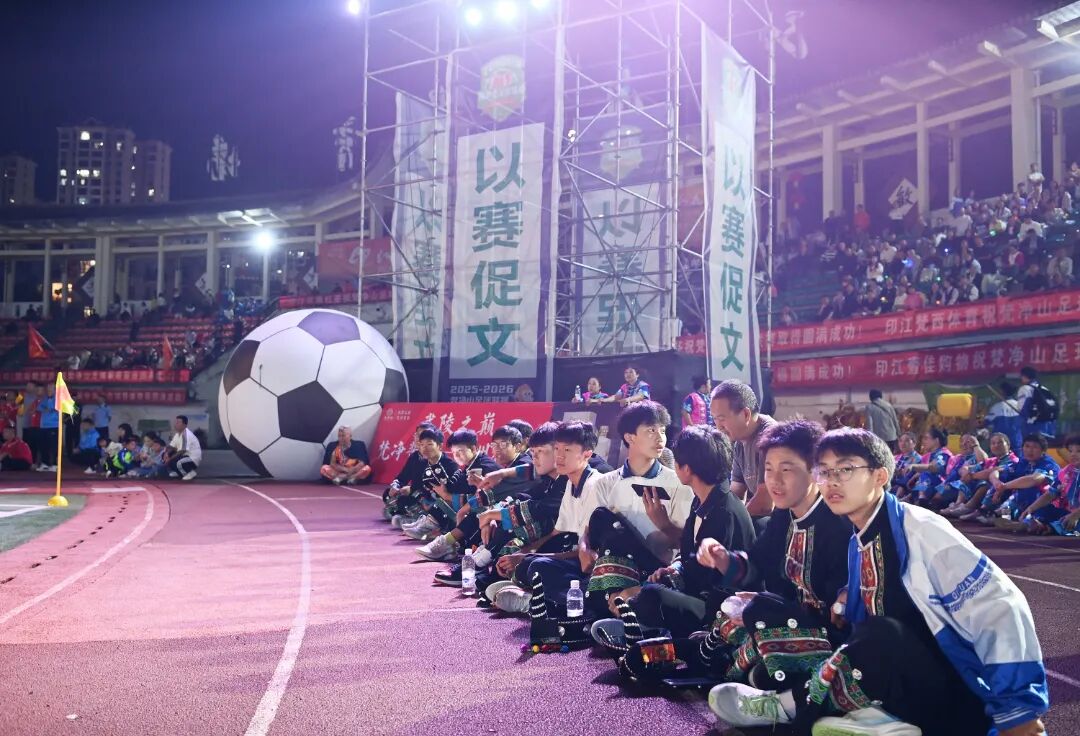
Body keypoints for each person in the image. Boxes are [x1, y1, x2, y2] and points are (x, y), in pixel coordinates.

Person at [709, 428, 1048, 736]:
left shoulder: (920, 531)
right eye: (825, 471)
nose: (832, 481)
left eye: (846, 469)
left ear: (880, 476)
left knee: (879, 633)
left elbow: (1001, 605)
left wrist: (1019, 711)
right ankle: (875, 718)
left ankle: (790, 706)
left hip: (956, 698)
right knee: (784, 614)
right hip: (900, 679)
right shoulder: (861, 536)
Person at [598, 424, 754, 643]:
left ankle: (644, 630)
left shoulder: (724, 513)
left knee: (652, 594)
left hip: (720, 609)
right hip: (696, 591)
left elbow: (712, 581)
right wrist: (673, 569)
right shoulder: (702, 500)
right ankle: (641, 626)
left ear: (686, 469)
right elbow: (690, 555)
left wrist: (658, 585)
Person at [489, 421, 604, 622]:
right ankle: (536, 597)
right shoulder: (570, 483)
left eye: (567, 450)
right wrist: (523, 554)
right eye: (557, 449)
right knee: (528, 564)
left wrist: (531, 557)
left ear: (587, 453)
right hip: (574, 557)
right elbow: (556, 533)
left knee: (538, 566)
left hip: (594, 566)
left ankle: (538, 603)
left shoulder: (595, 485)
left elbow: (587, 553)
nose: (560, 456)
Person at [401, 428, 500, 542]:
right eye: (453, 452)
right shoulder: (471, 464)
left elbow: (480, 498)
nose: (456, 456)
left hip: (492, 511)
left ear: (473, 448)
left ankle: (437, 530)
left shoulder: (483, 466)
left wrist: (446, 495)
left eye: (460, 451)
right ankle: (431, 524)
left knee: (451, 498)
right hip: (474, 508)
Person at [710, 379, 777, 524]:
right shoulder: (739, 441)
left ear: (746, 414)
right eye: (715, 419)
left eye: (722, 418)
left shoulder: (771, 438)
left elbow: (765, 503)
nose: (718, 426)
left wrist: (733, 523)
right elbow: (737, 492)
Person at [1014, 434, 1080, 534]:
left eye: (1078, 451)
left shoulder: (1049, 464)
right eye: (1070, 451)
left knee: (1069, 521)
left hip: (1076, 515)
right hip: (1069, 512)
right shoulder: (1066, 472)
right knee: (1043, 509)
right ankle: (1037, 525)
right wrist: (1031, 508)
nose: (1073, 455)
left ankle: (1046, 528)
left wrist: (1075, 515)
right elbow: (1050, 494)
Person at [1017, 367, 1057, 439]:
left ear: (1024, 376)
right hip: (1048, 425)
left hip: (1033, 425)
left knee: (1031, 444)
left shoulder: (1025, 388)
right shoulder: (1044, 388)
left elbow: (1022, 408)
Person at [986, 382, 1024, 452]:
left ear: (1002, 392)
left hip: (1000, 444)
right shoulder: (1020, 405)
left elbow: (985, 423)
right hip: (1017, 442)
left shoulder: (996, 407)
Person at [165, 415, 202, 481]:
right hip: (184, 456)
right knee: (167, 457)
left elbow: (182, 450)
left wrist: (170, 458)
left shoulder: (187, 434)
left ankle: (190, 473)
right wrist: (166, 454)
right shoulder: (177, 434)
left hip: (192, 458)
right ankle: (178, 472)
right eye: (175, 422)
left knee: (178, 462)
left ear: (184, 425)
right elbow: (172, 446)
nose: (175, 424)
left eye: (178, 422)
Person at [36, 382, 59, 472]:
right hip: (43, 426)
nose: (49, 390)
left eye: (51, 388)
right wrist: (47, 408)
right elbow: (39, 408)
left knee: (53, 446)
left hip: (54, 425)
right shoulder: (44, 398)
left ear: (55, 390)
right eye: (48, 388)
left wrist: (50, 408)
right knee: (44, 445)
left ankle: (54, 464)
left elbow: (55, 409)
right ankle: (45, 463)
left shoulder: (58, 399)